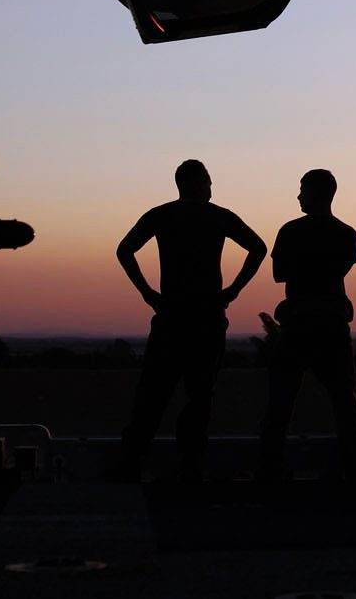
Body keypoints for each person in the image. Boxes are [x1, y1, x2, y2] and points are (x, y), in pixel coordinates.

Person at [110, 159, 266, 481]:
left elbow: (125, 250)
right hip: (207, 317)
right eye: (209, 181)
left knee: (152, 394)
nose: (212, 187)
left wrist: (148, 293)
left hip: (171, 315)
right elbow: (258, 248)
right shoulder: (219, 216)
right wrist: (232, 291)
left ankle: (131, 461)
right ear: (202, 183)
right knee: (200, 396)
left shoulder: (161, 215)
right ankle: (190, 465)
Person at [256, 169, 356, 480]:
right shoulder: (348, 234)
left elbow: (279, 274)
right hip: (332, 320)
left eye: (303, 190)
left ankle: (269, 466)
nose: (299, 196)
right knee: (344, 398)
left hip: (298, 322)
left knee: (281, 398)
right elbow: (338, 271)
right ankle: (353, 465)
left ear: (316, 194)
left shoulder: (290, 231)